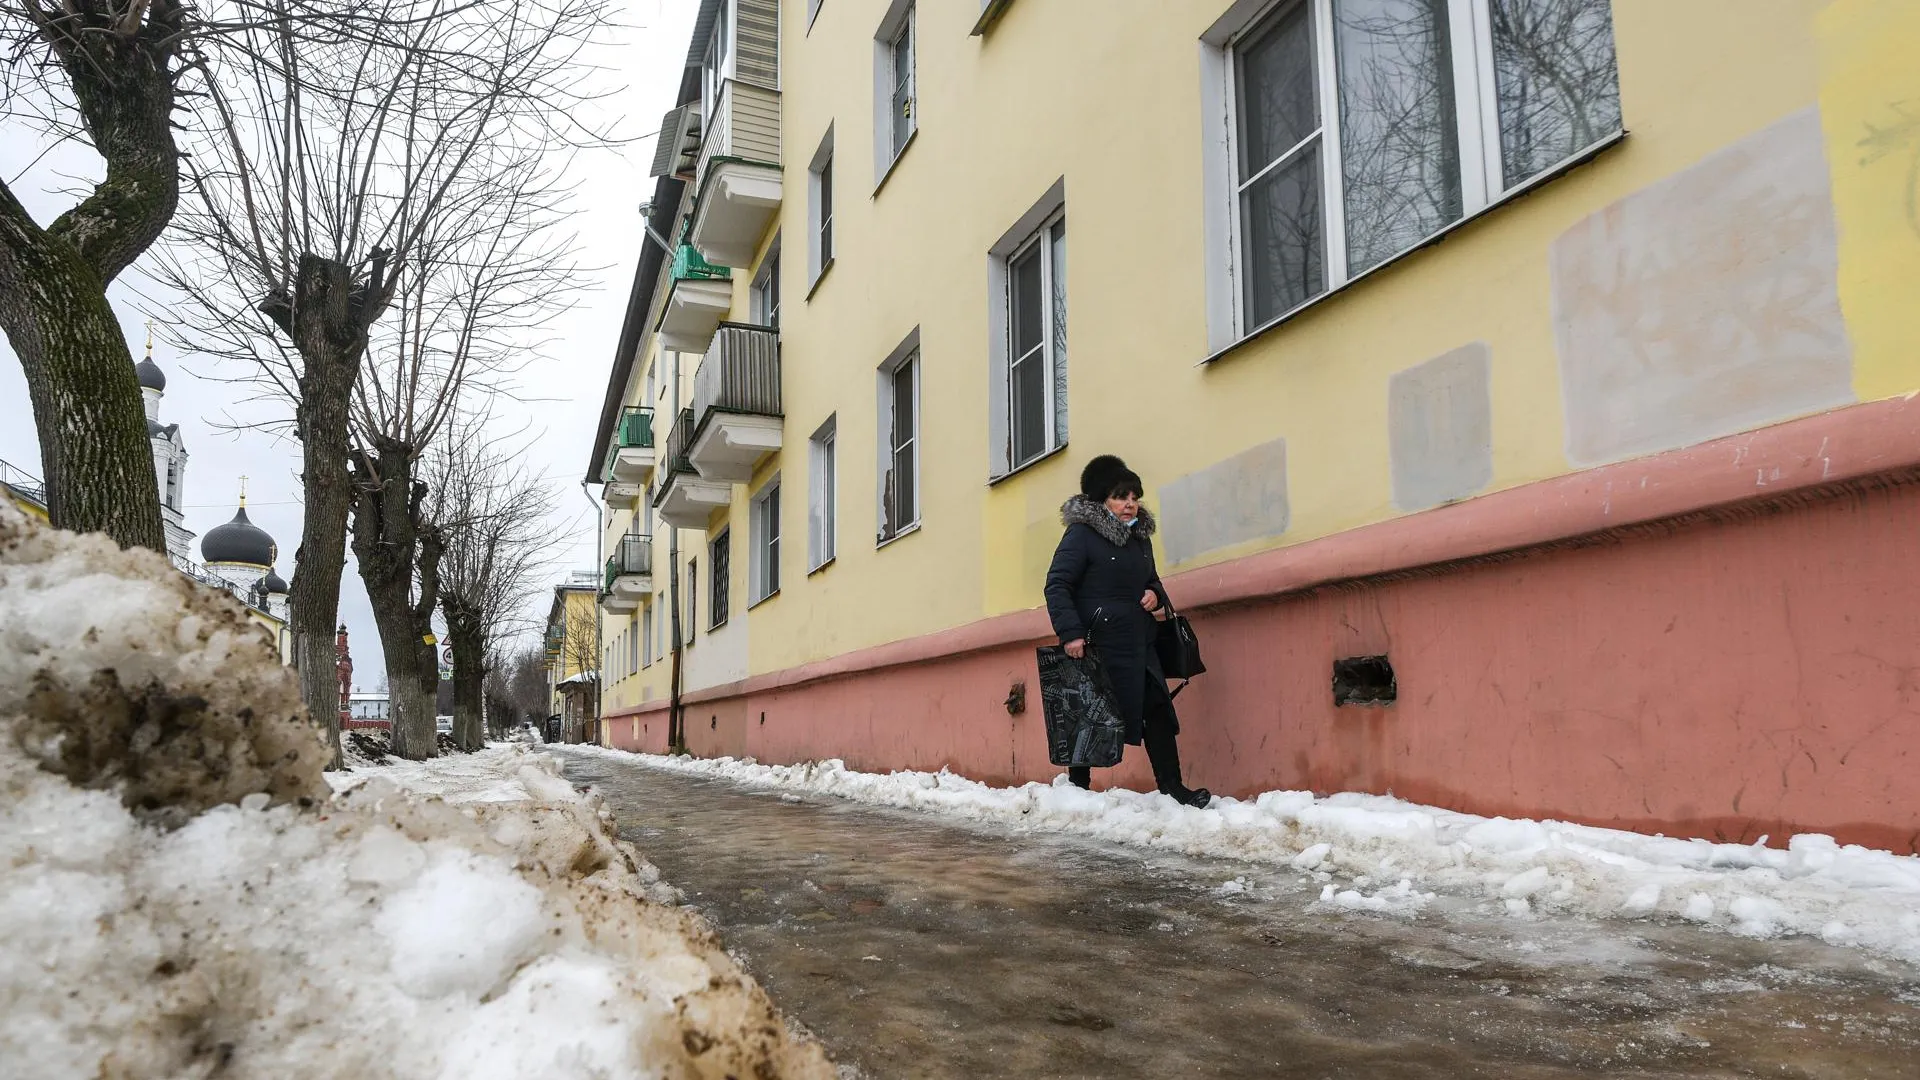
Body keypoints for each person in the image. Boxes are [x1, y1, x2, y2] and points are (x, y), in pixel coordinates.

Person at [1043, 455, 1211, 807]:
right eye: (1121, 496)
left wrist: (1155, 595)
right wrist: (1070, 634)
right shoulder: (1082, 535)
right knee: (1090, 715)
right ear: (1101, 500)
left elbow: (1151, 580)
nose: (1130, 503)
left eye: (1134, 495)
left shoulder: (1140, 538)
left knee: (1159, 713)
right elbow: (1058, 584)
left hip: (1140, 642)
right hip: (1098, 644)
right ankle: (1077, 790)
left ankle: (1173, 788)